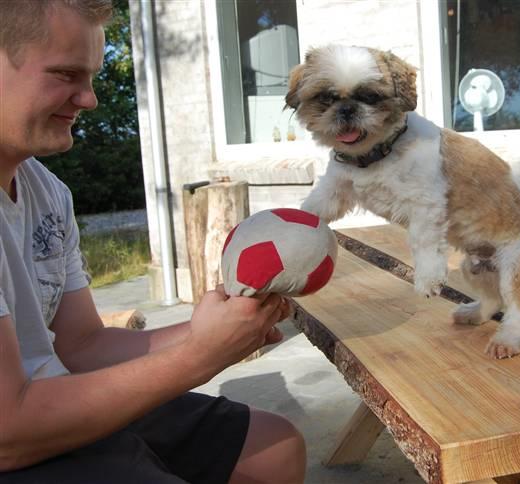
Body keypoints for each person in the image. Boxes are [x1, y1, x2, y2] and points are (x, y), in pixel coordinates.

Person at [0, 1, 306, 482]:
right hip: (18, 437)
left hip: (51, 399)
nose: (90, 99)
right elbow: (9, 434)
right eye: (64, 74)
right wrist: (199, 357)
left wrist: (212, 330)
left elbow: (82, 345)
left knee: (272, 446)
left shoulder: (46, 191)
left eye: (92, 77)